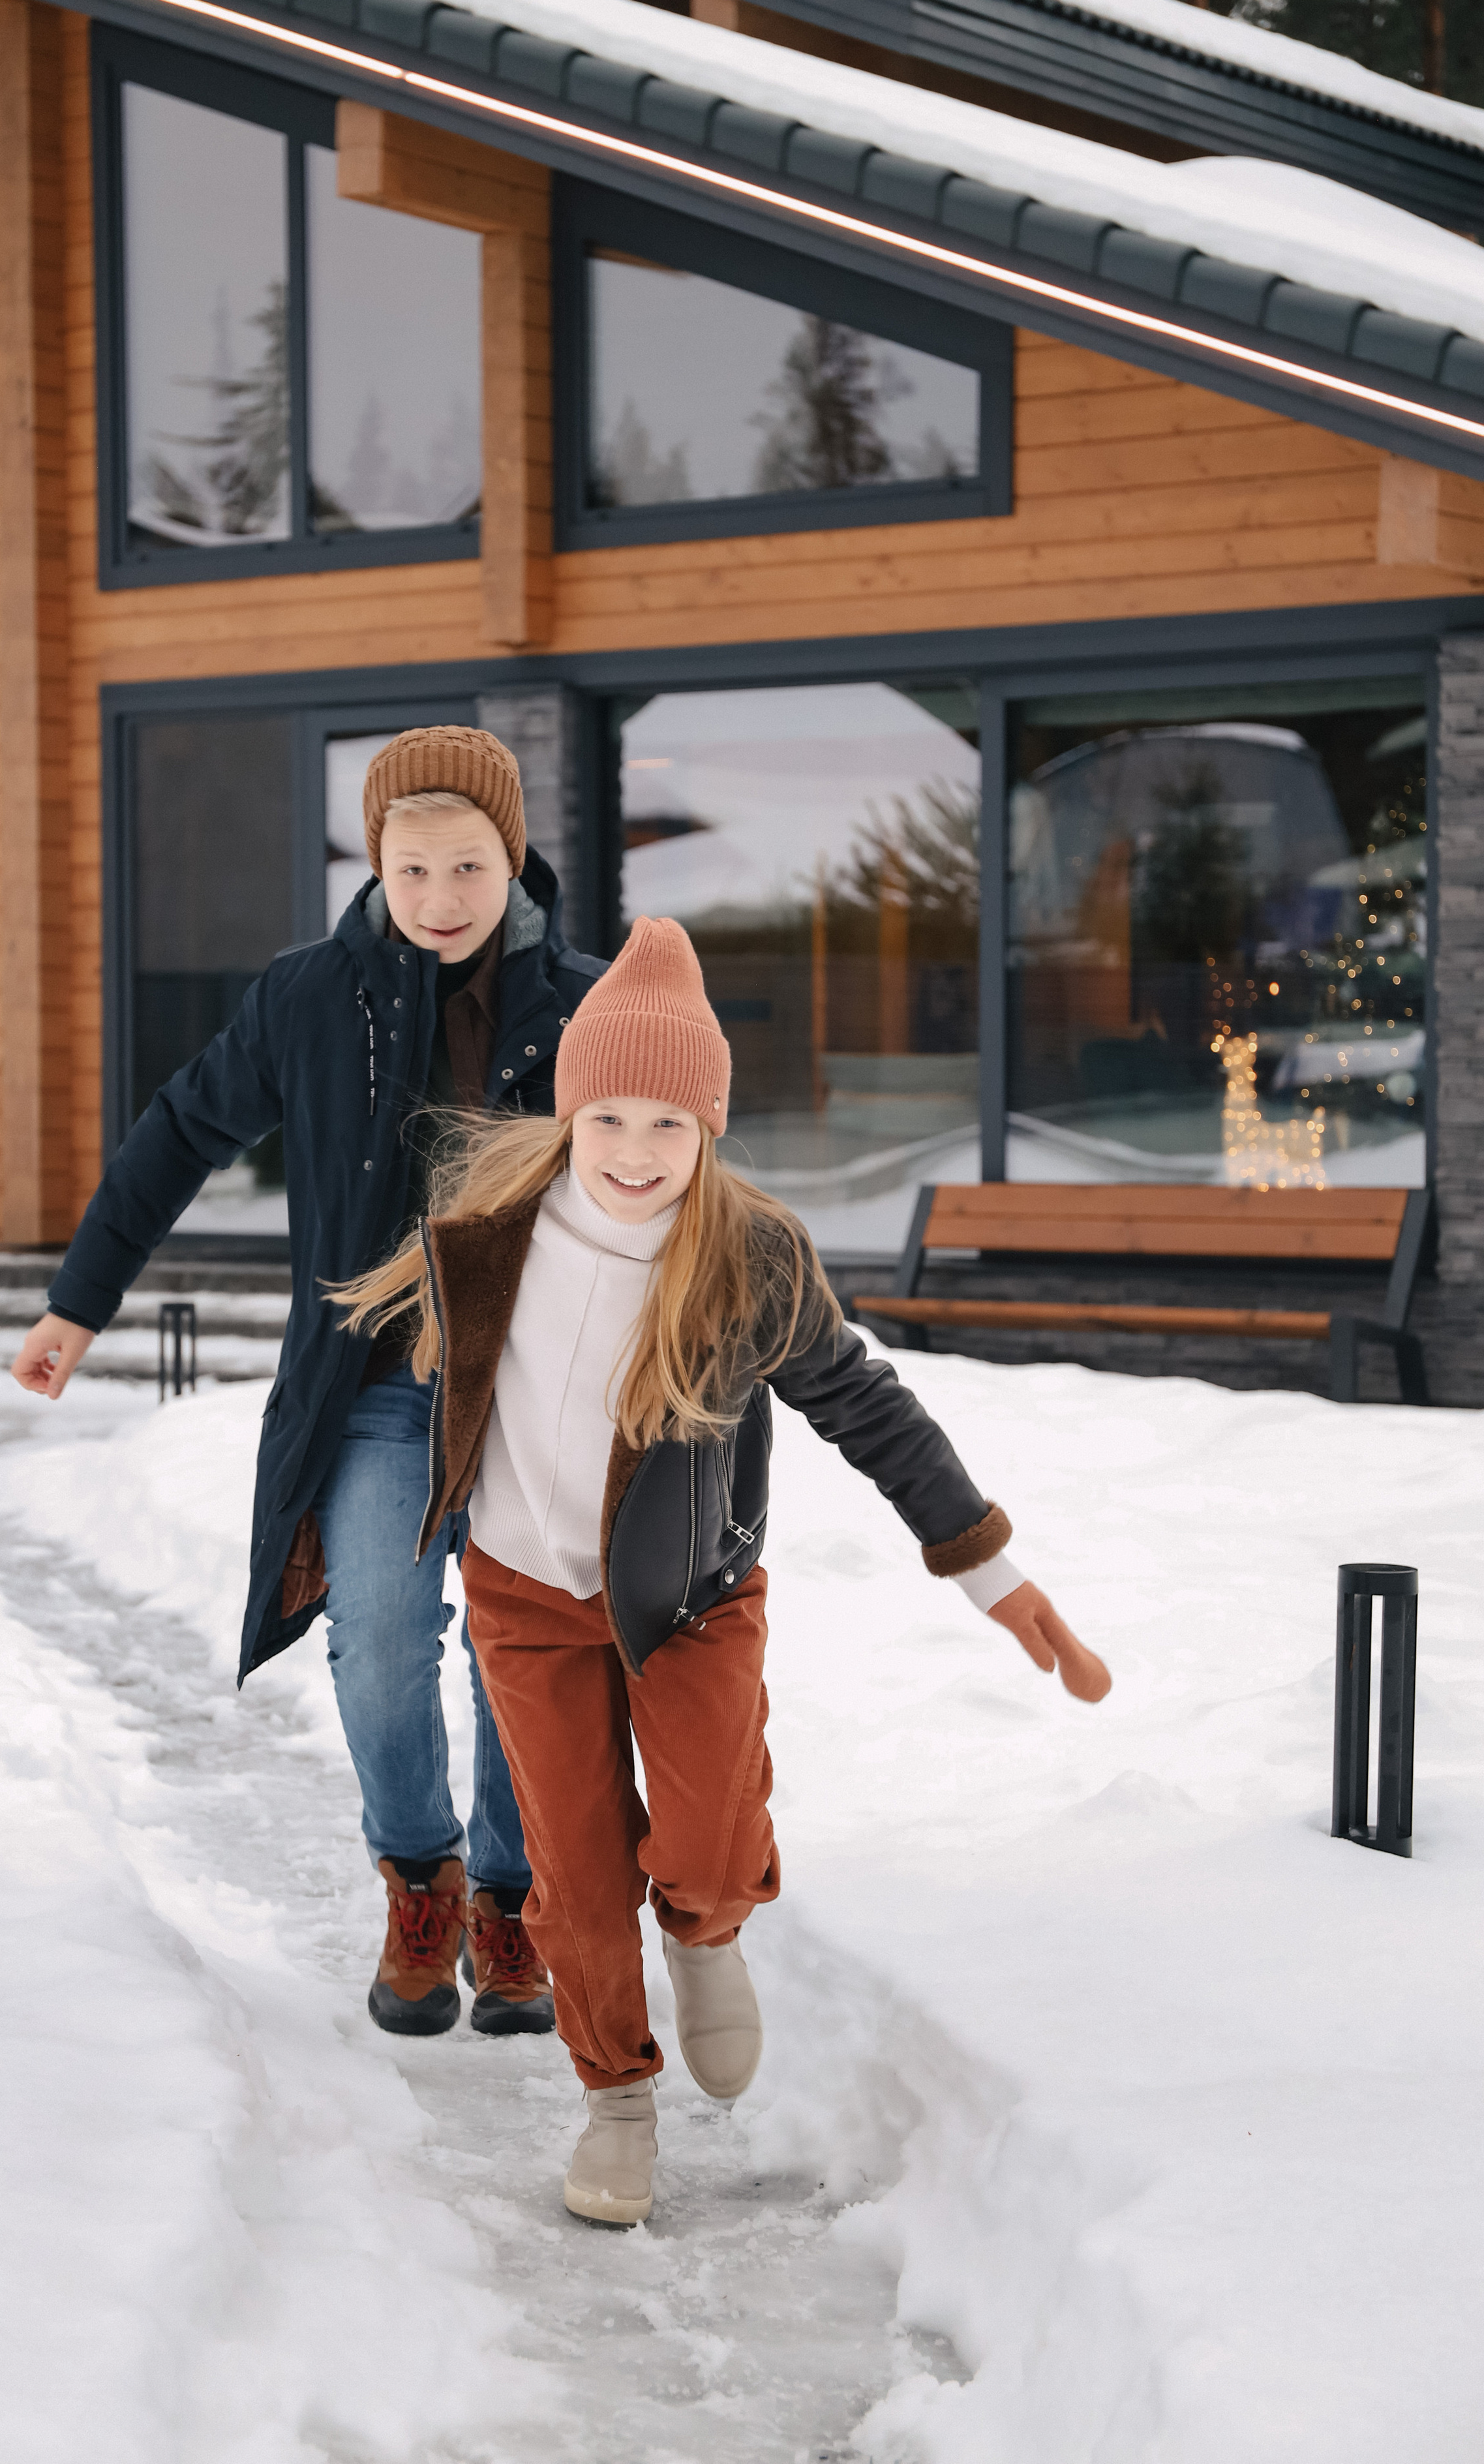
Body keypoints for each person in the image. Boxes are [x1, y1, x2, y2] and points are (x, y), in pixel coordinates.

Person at [331, 915, 1112, 2227]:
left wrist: (987, 1567)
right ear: (570, 1114)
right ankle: (615, 2103)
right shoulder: (486, 1237)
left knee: (693, 1835)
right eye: (611, 1121)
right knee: (573, 1875)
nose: (638, 1155)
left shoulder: (742, 1260)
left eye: (670, 1128)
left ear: (708, 1131)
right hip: (524, 1600)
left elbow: (863, 1406)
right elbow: (378, 1375)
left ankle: (705, 1926)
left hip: (691, 1598)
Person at [11, 727, 609, 2040]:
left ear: (510, 860)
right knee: (382, 1645)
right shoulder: (304, 997)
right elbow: (179, 1131)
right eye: (413, 868)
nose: (442, 896)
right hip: (377, 1388)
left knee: (527, 1656)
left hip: (536, 1393)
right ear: (372, 861)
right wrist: (78, 1303)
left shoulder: (587, 1003)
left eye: (468, 866)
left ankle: (514, 1901)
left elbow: (665, 1178)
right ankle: (423, 1879)